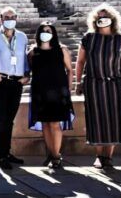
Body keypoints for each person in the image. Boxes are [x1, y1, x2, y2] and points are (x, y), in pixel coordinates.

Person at [75, 3, 121, 172]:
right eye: (100, 17)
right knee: (97, 119)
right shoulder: (88, 38)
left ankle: (108, 157)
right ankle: (99, 156)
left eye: (106, 17)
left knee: (115, 120)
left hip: (115, 84)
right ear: (95, 20)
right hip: (94, 83)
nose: (103, 20)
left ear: (113, 20)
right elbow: (80, 62)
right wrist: (78, 83)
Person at [0, 6, 30, 170]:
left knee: (9, 119)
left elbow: (23, 57)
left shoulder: (23, 37)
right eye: (6, 17)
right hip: (0, 81)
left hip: (16, 82)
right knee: (0, 119)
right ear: (1, 19)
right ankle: (1, 156)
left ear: (16, 18)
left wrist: (27, 74)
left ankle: (8, 152)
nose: (10, 20)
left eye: (13, 17)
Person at [28, 21, 74, 170]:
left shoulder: (62, 50)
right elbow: (29, 70)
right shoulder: (33, 51)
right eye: (43, 30)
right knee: (45, 124)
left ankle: (56, 155)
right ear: (38, 33)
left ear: (53, 33)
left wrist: (69, 88)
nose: (46, 33)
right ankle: (52, 154)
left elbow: (70, 70)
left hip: (58, 92)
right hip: (40, 92)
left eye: (49, 30)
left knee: (55, 124)